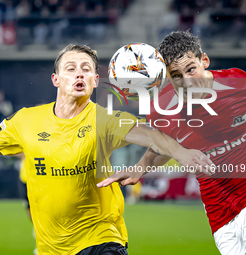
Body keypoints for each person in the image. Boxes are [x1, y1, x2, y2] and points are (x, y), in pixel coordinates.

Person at [0, 44, 213, 255]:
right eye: (71, 68)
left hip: (102, 238)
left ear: (95, 80)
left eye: (86, 69)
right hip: (52, 246)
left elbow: (153, 135)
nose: (79, 73)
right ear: (56, 79)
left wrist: (178, 155)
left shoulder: (104, 120)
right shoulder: (25, 120)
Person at [98, 31, 246, 255]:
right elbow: (166, 146)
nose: (186, 81)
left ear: (204, 61)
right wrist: (139, 169)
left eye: (191, 69)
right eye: (176, 75)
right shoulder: (160, 109)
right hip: (220, 215)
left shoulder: (238, 83)